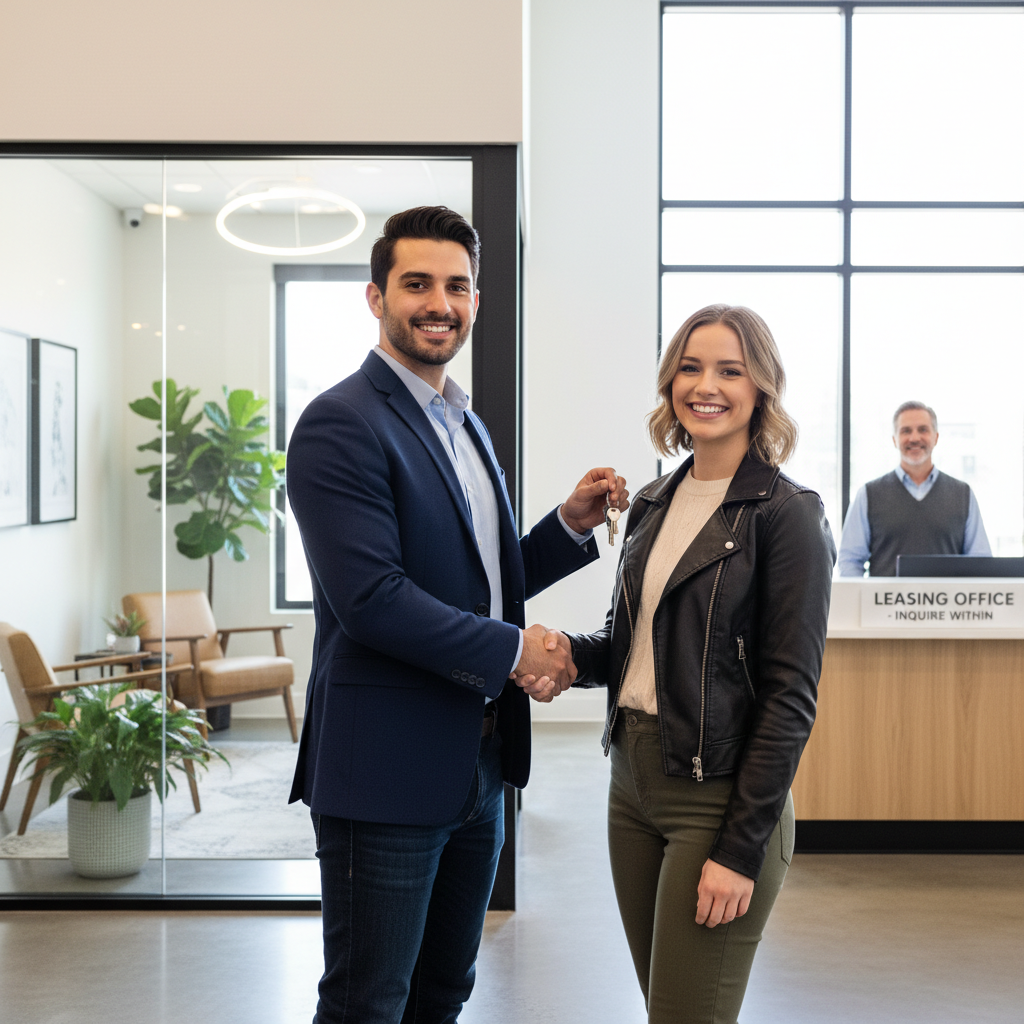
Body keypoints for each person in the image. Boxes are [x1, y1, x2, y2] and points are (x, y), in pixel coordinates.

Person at [286, 206, 628, 1024]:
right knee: (370, 1000)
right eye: (417, 284)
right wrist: (518, 652)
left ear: (475, 299)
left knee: (445, 991)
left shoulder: (462, 420)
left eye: (458, 286)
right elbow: (373, 601)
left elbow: (477, 578)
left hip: (477, 766)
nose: (440, 303)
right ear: (376, 296)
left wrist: (567, 528)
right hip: (386, 771)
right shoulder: (341, 423)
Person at [522, 304, 835, 1024]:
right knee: (669, 1006)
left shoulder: (786, 514)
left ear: (761, 387)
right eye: (691, 367)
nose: (707, 385)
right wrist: (567, 658)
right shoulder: (654, 502)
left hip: (717, 799)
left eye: (731, 369)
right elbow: (633, 645)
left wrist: (740, 847)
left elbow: (790, 697)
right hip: (629, 785)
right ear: (670, 383)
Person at [838, 401, 991, 576]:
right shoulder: (868, 495)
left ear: (936, 437)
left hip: (948, 603)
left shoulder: (963, 494)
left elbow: (980, 562)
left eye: (923, 430)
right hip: (886, 603)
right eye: (906, 431)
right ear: (895, 440)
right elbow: (849, 561)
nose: (914, 438)